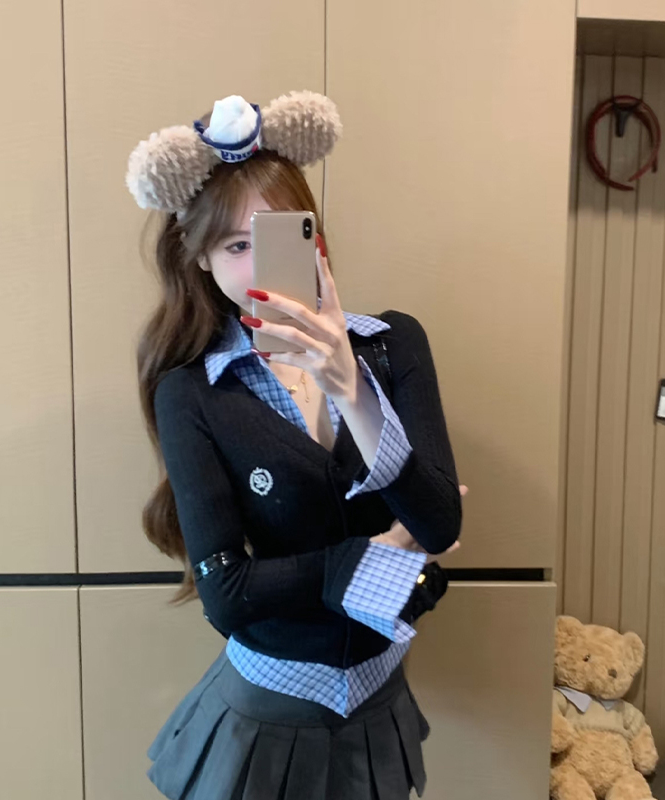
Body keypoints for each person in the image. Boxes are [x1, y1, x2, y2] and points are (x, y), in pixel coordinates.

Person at [127, 91, 462, 800]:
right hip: (264, 712)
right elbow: (228, 596)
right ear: (202, 259)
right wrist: (374, 560)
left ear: (313, 236)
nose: (261, 267)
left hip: (379, 698)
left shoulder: (393, 346)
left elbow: (438, 524)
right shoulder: (192, 393)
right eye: (236, 246)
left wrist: (351, 389)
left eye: (280, 236)